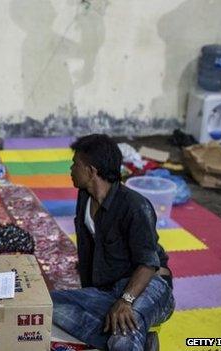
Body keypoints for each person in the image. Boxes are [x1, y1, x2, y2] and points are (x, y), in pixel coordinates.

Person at [50, 134, 175, 351]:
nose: (71, 169)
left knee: (124, 331)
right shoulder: (84, 197)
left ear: (92, 170)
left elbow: (148, 264)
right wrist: (92, 295)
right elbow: (89, 254)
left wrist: (125, 301)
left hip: (148, 285)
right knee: (47, 306)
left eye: (75, 164)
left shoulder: (135, 206)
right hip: (109, 290)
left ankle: (131, 333)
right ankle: (143, 341)